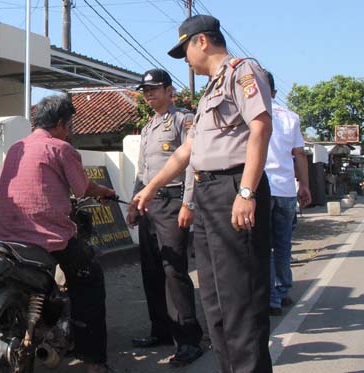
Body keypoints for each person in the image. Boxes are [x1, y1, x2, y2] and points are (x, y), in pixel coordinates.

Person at [134, 15, 274, 373]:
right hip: (210, 196)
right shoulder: (211, 89)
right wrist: (150, 187)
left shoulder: (243, 72)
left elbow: (260, 126)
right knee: (214, 301)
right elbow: (187, 152)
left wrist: (247, 190)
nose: (185, 60)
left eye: (184, 50)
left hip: (234, 188)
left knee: (240, 300)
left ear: (202, 42)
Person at [0, 95, 116, 373]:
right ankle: (94, 361)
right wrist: (106, 192)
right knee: (90, 278)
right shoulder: (61, 148)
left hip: (8, 235)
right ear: (60, 124)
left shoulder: (16, 147)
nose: (70, 130)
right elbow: (83, 188)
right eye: (69, 124)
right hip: (46, 236)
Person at [127, 68, 203, 367]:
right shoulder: (147, 128)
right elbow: (141, 172)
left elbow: (192, 164)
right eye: (145, 90)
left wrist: (189, 204)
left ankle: (189, 340)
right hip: (149, 204)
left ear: (169, 90)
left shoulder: (183, 120)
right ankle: (160, 330)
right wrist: (134, 204)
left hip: (172, 202)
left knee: (174, 271)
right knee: (151, 271)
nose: (149, 94)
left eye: (154, 88)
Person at [264, 71, 312, 316]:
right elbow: (300, 154)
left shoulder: (249, 114)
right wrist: (304, 185)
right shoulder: (290, 117)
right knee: (282, 246)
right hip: (285, 189)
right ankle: (282, 293)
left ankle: (271, 299)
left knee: (265, 247)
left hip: (261, 189)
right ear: (274, 91)